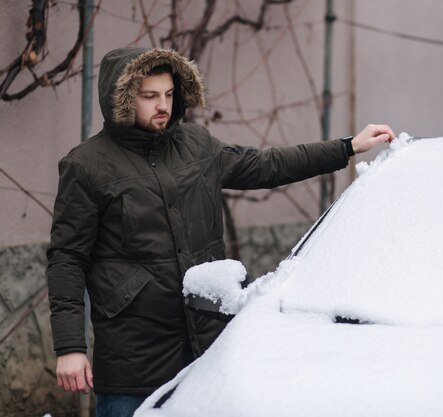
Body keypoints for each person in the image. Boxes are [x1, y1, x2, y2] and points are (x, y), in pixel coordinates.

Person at [46, 47, 395, 417]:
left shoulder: (196, 146)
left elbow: (267, 166)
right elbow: (67, 258)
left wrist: (347, 147)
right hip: (134, 357)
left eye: (167, 94)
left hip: (206, 342)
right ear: (122, 98)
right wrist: (70, 347)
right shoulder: (86, 166)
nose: (162, 105)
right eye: (149, 97)